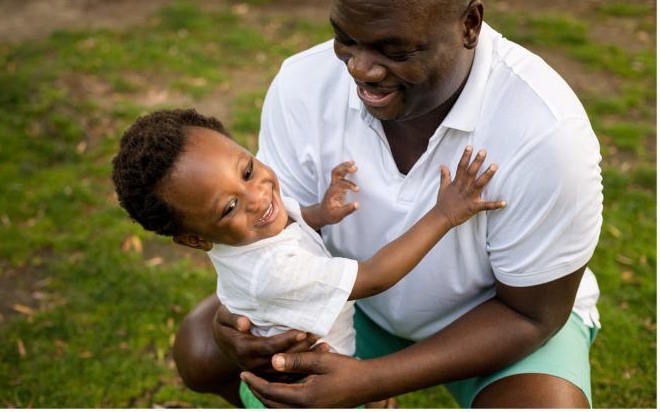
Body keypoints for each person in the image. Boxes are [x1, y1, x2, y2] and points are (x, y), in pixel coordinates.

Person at [172, 0, 604, 409]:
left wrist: (372, 380)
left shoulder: (545, 132)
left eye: (392, 48)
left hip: (493, 321)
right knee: (201, 348)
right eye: (345, 37)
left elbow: (532, 317)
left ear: (470, 25)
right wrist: (239, 323)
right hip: (350, 304)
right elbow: (273, 237)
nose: (359, 68)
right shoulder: (302, 85)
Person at [114, 109, 506, 406]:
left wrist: (321, 212)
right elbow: (374, 277)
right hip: (310, 395)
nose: (259, 197)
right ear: (195, 239)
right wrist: (444, 214)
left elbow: (289, 223)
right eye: (230, 205)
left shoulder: (253, 227)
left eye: (247, 170)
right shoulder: (276, 270)